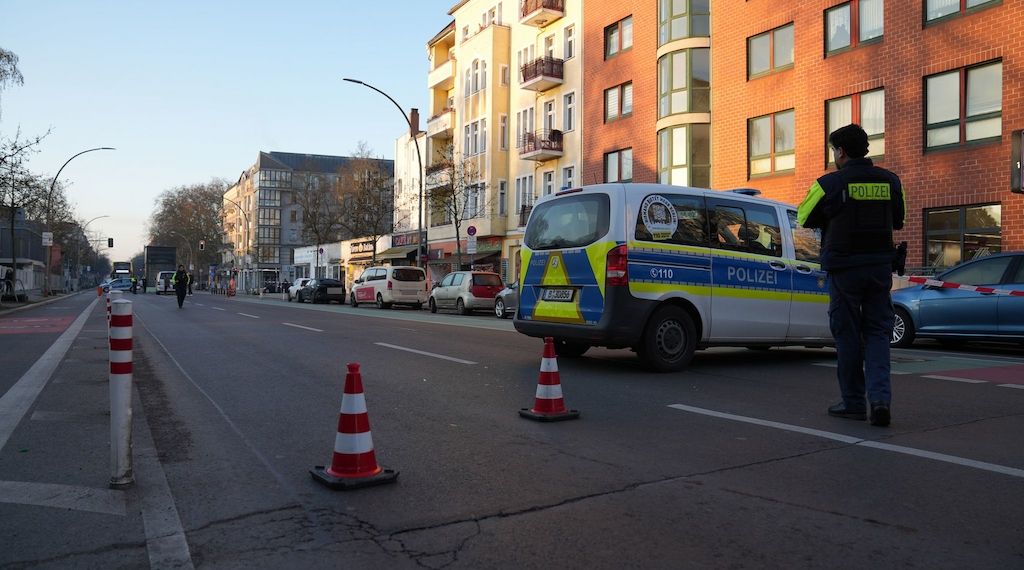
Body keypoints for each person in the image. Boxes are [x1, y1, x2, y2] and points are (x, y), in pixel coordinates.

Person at [797, 124, 905, 427]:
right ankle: (881, 401)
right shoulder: (891, 182)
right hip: (879, 269)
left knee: (847, 336)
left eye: (834, 150)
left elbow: (804, 216)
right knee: (878, 334)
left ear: (840, 151)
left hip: (844, 271)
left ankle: (854, 403)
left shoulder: (828, 184)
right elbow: (899, 220)